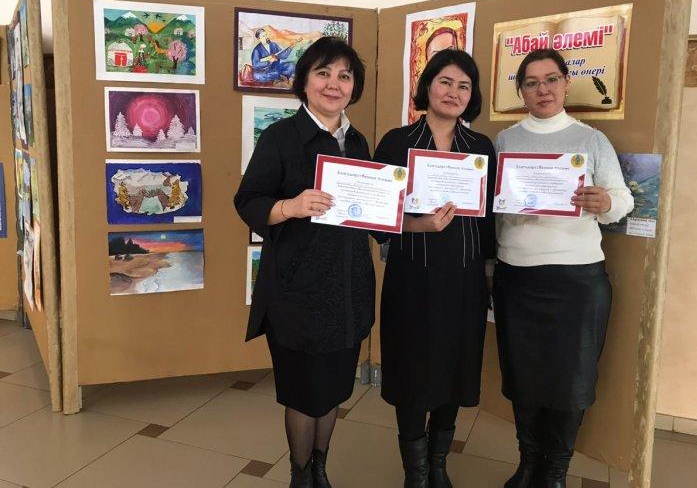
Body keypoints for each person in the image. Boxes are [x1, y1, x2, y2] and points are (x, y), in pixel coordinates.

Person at [234, 37, 374, 488]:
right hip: (296, 292)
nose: (334, 84)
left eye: (344, 76)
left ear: (354, 87)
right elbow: (248, 200)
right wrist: (290, 207)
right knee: (302, 393)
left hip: (348, 288)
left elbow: (369, 211)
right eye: (323, 73)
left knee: (332, 389)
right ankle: (300, 474)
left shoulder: (357, 142)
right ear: (305, 81)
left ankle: (320, 468)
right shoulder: (281, 137)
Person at [493, 49, 634, 488]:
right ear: (521, 91)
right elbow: (489, 205)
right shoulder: (504, 141)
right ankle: (528, 462)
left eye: (551, 79)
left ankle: (555, 471)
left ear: (566, 83)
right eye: (531, 82)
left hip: (577, 279)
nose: (543, 90)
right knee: (523, 376)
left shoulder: (591, 140)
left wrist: (606, 201)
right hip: (517, 276)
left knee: (571, 380)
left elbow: (623, 199)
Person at [373, 49, 496, 488]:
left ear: (472, 95)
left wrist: (490, 276)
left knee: (455, 371)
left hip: (464, 282)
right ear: (427, 86)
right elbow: (376, 217)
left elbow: (488, 222)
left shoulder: (480, 148)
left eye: (464, 85)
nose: (453, 92)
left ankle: (439, 464)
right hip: (412, 281)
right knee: (411, 373)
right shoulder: (396, 142)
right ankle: (417, 472)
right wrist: (419, 224)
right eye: (445, 81)